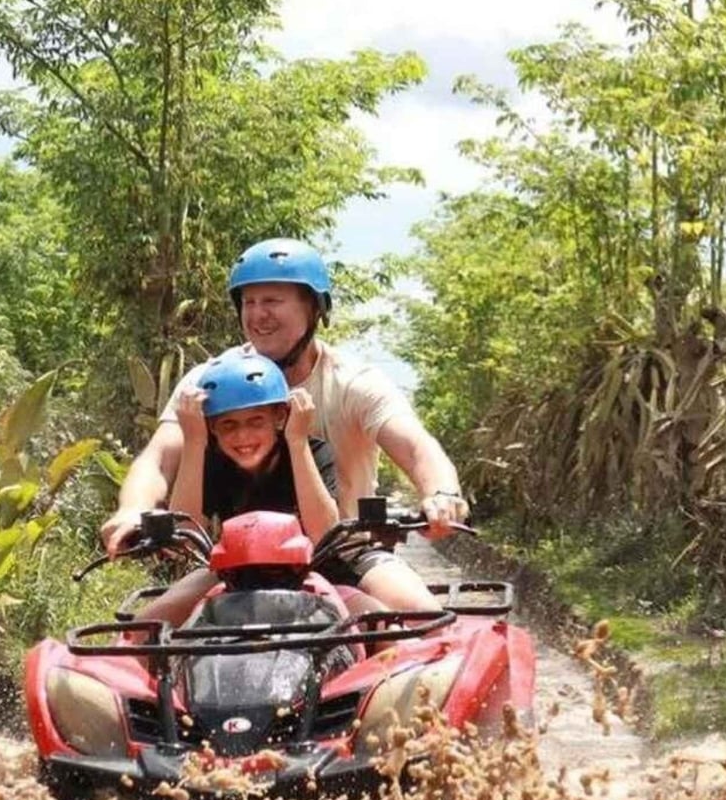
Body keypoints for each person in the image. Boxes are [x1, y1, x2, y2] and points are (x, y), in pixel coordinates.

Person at [102, 237, 468, 611]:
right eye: (249, 302)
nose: (258, 314)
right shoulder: (213, 380)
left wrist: (441, 494)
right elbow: (159, 459)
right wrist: (132, 509)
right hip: (240, 561)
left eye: (273, 301)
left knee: (421, 617)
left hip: (348, 554)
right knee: (144, 633)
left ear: (313, 307)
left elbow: (415, 446)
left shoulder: (354, 382)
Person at [136, 351, 340, 626]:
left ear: (280, 416)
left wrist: (297, 442)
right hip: (232, 573)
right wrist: (195, 441)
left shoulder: (310, 450)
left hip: (310, 570)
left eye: (256, 421)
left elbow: (323, 534)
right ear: (212, 428)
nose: (242, 437)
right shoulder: (209, 459)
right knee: (143, 625)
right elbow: (186, 534)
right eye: (228, 425)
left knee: (375, 617)